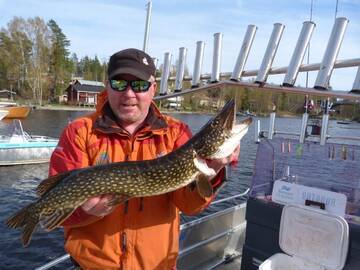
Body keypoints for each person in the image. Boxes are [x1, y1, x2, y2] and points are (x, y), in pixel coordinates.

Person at [49, 48, 240, 269]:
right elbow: (58, 211)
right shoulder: (80, 132)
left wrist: (213, 171)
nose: (129, 94)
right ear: (107, 86)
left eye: (139, 85)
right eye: (120, 84)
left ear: (153, 89)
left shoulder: (176, 133)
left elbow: (189, 206)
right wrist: (85, 211)